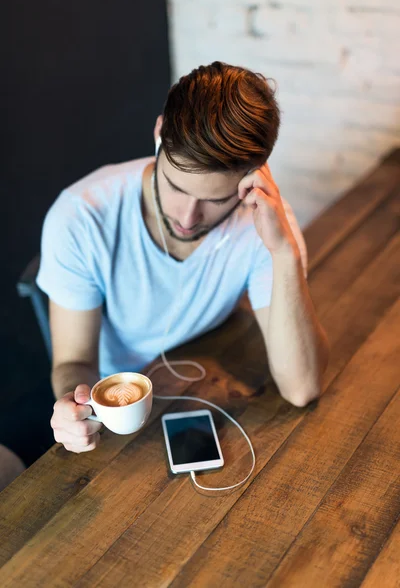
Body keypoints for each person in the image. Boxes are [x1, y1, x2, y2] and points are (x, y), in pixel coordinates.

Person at [37, 61, 329, 454]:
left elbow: (301, 387)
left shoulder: (265, 224)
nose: (188, 218)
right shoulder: (81, 216)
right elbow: (73, 362)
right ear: (159, 134)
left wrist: (285, 252)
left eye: (215, 200)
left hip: (205, 368)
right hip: (117, 412)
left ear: (253, 177)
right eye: (175, 185)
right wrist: (72, 407)